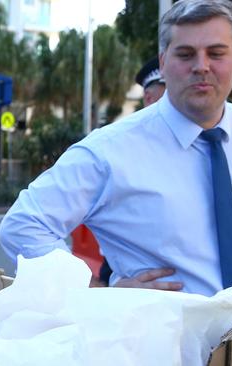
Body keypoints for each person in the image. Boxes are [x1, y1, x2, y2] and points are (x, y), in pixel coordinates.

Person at [0, 0, 232, 298]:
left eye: (216, 53)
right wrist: (97, 294)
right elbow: (22, 226)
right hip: (172, 340)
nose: (201, 66)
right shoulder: (109, 151)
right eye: (185, 54)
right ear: (163, 61)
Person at [96, 56, 169, 284]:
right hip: (137, 293)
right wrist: (103, 292)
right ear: (148, 98)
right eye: (169, 91)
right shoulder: (119, 147)